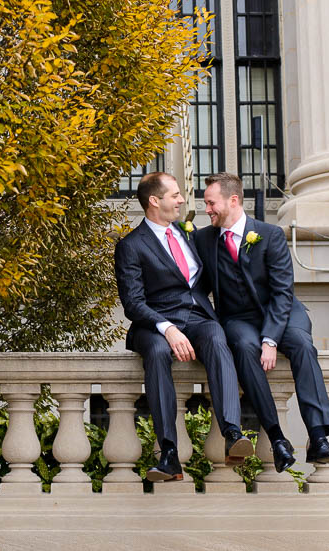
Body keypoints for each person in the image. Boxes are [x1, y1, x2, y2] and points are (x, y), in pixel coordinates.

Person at [195, 172, 329, 473]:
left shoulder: (270, 235)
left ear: (233, 200)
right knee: (245, 349)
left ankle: (319, 437)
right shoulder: (202, 239)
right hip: (238, 318)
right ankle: (277, 440)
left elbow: (282, 292)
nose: (206, 209)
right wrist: (201, 323)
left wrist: (271, 340)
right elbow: (196, 287)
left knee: (302, 345)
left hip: (281, 313)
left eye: (211, 203)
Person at [114, 172, 252, 482]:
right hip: (153, 322)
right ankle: (169, 454)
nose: (181, 200)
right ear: (154, 201)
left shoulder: (189, 234)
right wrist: (167, 327)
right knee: (159, 352)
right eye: (174, 195)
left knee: (217, 338)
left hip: (197, 317)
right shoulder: (131, 246)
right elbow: (133, 303)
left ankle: (232, 433)